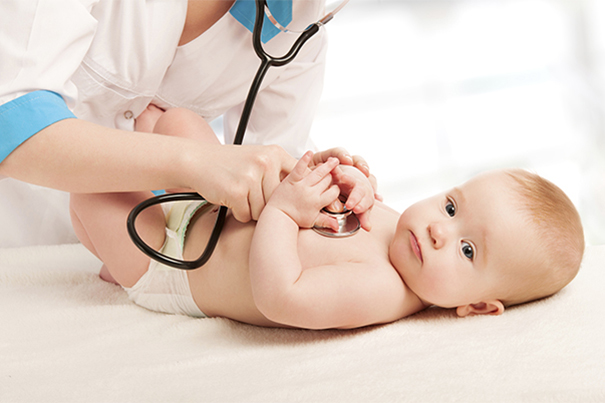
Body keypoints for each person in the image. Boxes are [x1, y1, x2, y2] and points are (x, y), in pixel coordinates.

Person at [70, 107, 585, 329]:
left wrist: (283, 210)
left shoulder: (384, 291)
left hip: (177, 264)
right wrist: (340, 175)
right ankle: (160, 177)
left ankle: (119, 268)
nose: (438, 229)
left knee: (87, 195)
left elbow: (279, 296)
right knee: (178, 121)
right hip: (217, 209)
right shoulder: (401, 229)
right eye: (451, 207)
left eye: (467, 250)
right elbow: (331, 210)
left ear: (477, 306)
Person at [0, 0, 365, 244]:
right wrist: (195, 163)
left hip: (123, 267)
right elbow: (12, 119)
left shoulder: (301, 26)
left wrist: (325, 187)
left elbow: (274, 194)